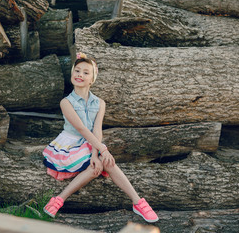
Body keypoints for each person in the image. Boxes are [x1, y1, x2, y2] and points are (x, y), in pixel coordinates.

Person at [42, 52, 159, 223]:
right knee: (101, 162)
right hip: (70, 144)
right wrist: (102, 150)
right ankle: (59, 199)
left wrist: (96, 154)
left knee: (102, 163)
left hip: (91, 142)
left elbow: (97, 130)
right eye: (77, 71)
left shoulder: (99, 103)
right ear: (72, 74)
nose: (80, 75)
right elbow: (81, 129)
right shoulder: (66, 102)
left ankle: (137, 202)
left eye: (85, 72)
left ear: (92, 79)